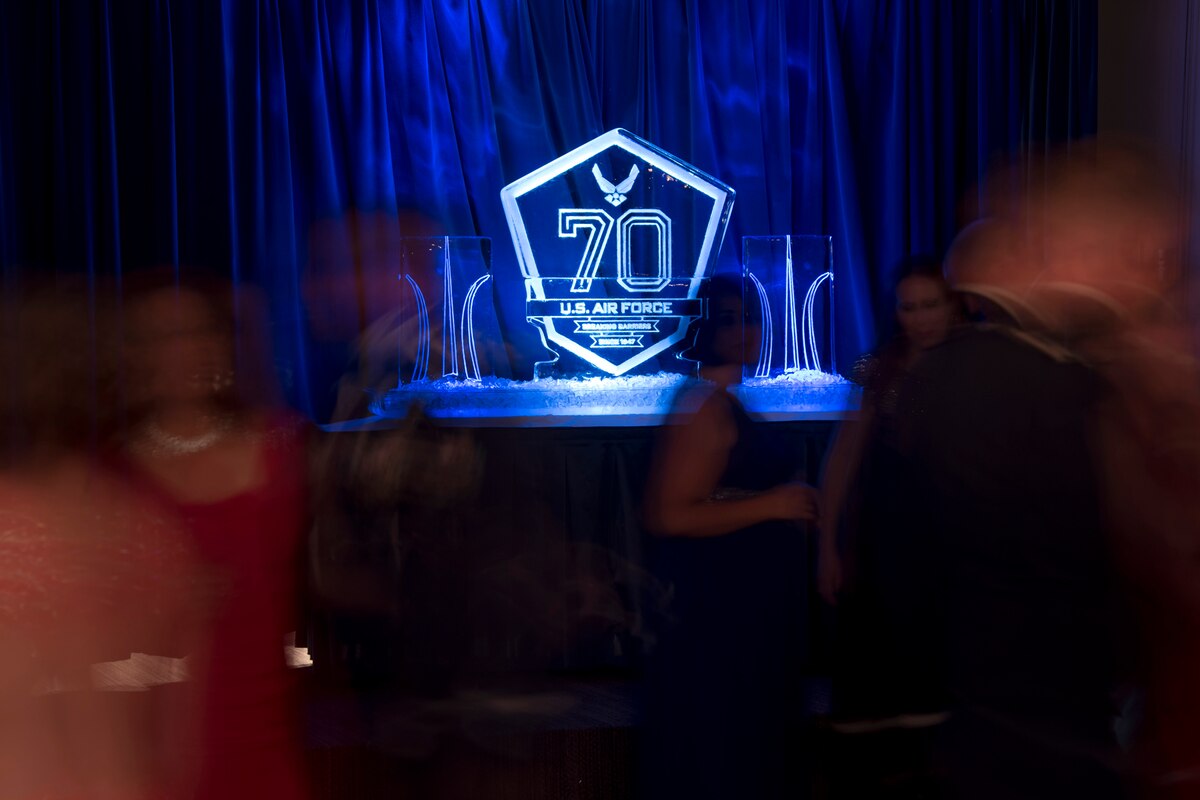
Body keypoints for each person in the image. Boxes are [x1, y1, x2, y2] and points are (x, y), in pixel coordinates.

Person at [116, 272, 311, 799]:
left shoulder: (287, 447)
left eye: (200, 331)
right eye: (161, 337)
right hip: (148, 731)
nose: (187, 349)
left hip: (277, 720)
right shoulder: (108, 475)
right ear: (131, 355)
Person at [642, 275, 819, 798]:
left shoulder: (723, 401)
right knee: (727, 740)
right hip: (721, 610)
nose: (745, 331)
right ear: (702, 328)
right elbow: (667, 515)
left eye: (751, 318)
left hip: (745, 607)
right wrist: (775, 503)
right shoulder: (702, 405)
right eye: (728, 319)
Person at [818, 260, 960, 741]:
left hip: (948, 541)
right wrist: (827, 547)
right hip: (882, 540)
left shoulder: (975, 364)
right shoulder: (879, 367)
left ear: (954, 304)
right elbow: (843, 455)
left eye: (930, 304)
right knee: (876, 685)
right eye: (909, 307)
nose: (920, 318)